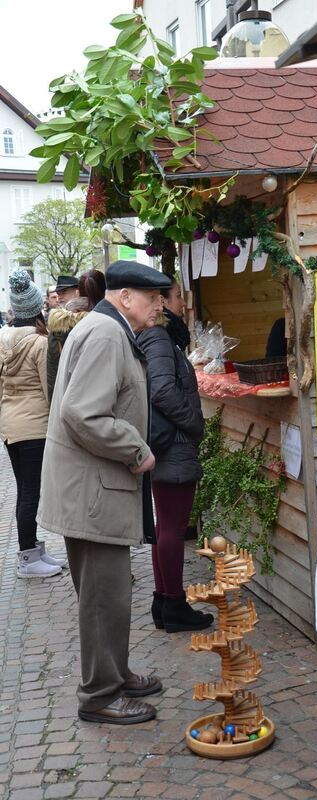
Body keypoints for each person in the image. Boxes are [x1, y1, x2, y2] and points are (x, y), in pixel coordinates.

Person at [37, 260, 171, 725]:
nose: (160, 306)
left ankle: (114, 672)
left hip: (93, 487)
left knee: (110, 592)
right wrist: (137, 451)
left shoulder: (106, 328)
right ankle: (99, 695)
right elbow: (84, 413)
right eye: (153, 299)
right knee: (102, 597)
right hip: (92, 490)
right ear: (126, 297)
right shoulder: (105, 333)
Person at [137, 276, 213, 633]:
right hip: (173, 445)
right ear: (163, 302)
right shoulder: (158, 338)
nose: (184, 301)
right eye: (179, 296)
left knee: (165, 526)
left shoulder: (161, 338)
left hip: (169, 445)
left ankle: (164, 601)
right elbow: (163, 391)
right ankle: (174, 605)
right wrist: (194, 425)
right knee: (171, 527)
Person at [0, 269, 66, 578]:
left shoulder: (3, 339)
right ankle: (28, 558)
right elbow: (49, 390)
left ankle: (34, 550)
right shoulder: (40, 344)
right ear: (37, 306)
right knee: (30, 494)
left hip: (11, 426)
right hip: (35, 427)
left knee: (27, 490)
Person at [47, 269, 106, 401]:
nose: (60, 296)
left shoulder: (60, 326)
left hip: (72, 401)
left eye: (64, 292)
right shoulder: (118, 322)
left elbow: (53, 375)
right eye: (58, 293)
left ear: (78, 292)